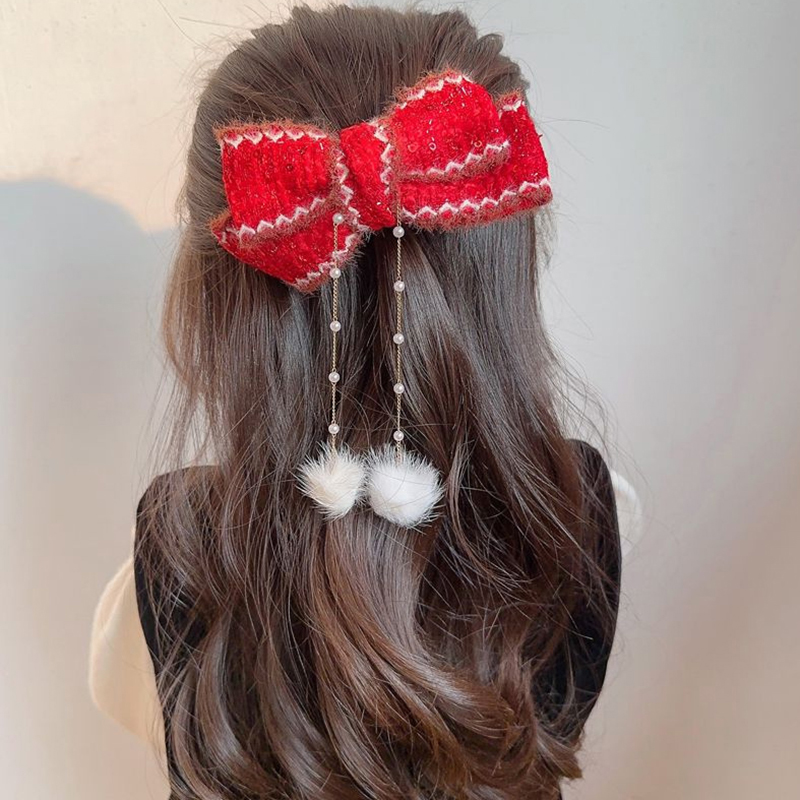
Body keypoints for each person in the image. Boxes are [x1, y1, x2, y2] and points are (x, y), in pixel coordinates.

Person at [89, 5, 636, 799]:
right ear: (507, 264)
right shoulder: (582, 513)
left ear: (213, 290)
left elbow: (119, 700)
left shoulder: (175, 558)